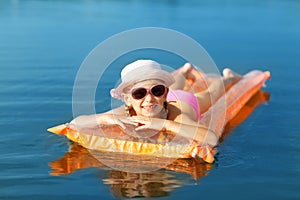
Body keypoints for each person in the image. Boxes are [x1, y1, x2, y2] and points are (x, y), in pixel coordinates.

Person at [70, 60, 242, 147]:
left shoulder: (177, 114)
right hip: (166, 97)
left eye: (157, 90)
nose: (149, 98)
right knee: (176, 83)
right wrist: (106, 119)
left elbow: (211, 138)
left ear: (164, 93)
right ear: (128, 99)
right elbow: (75, 123)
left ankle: (228, 78)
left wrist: (164, 124)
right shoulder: (126, 111)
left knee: (209, 94)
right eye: (139, 93)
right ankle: (184, 72)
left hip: (182, 100)